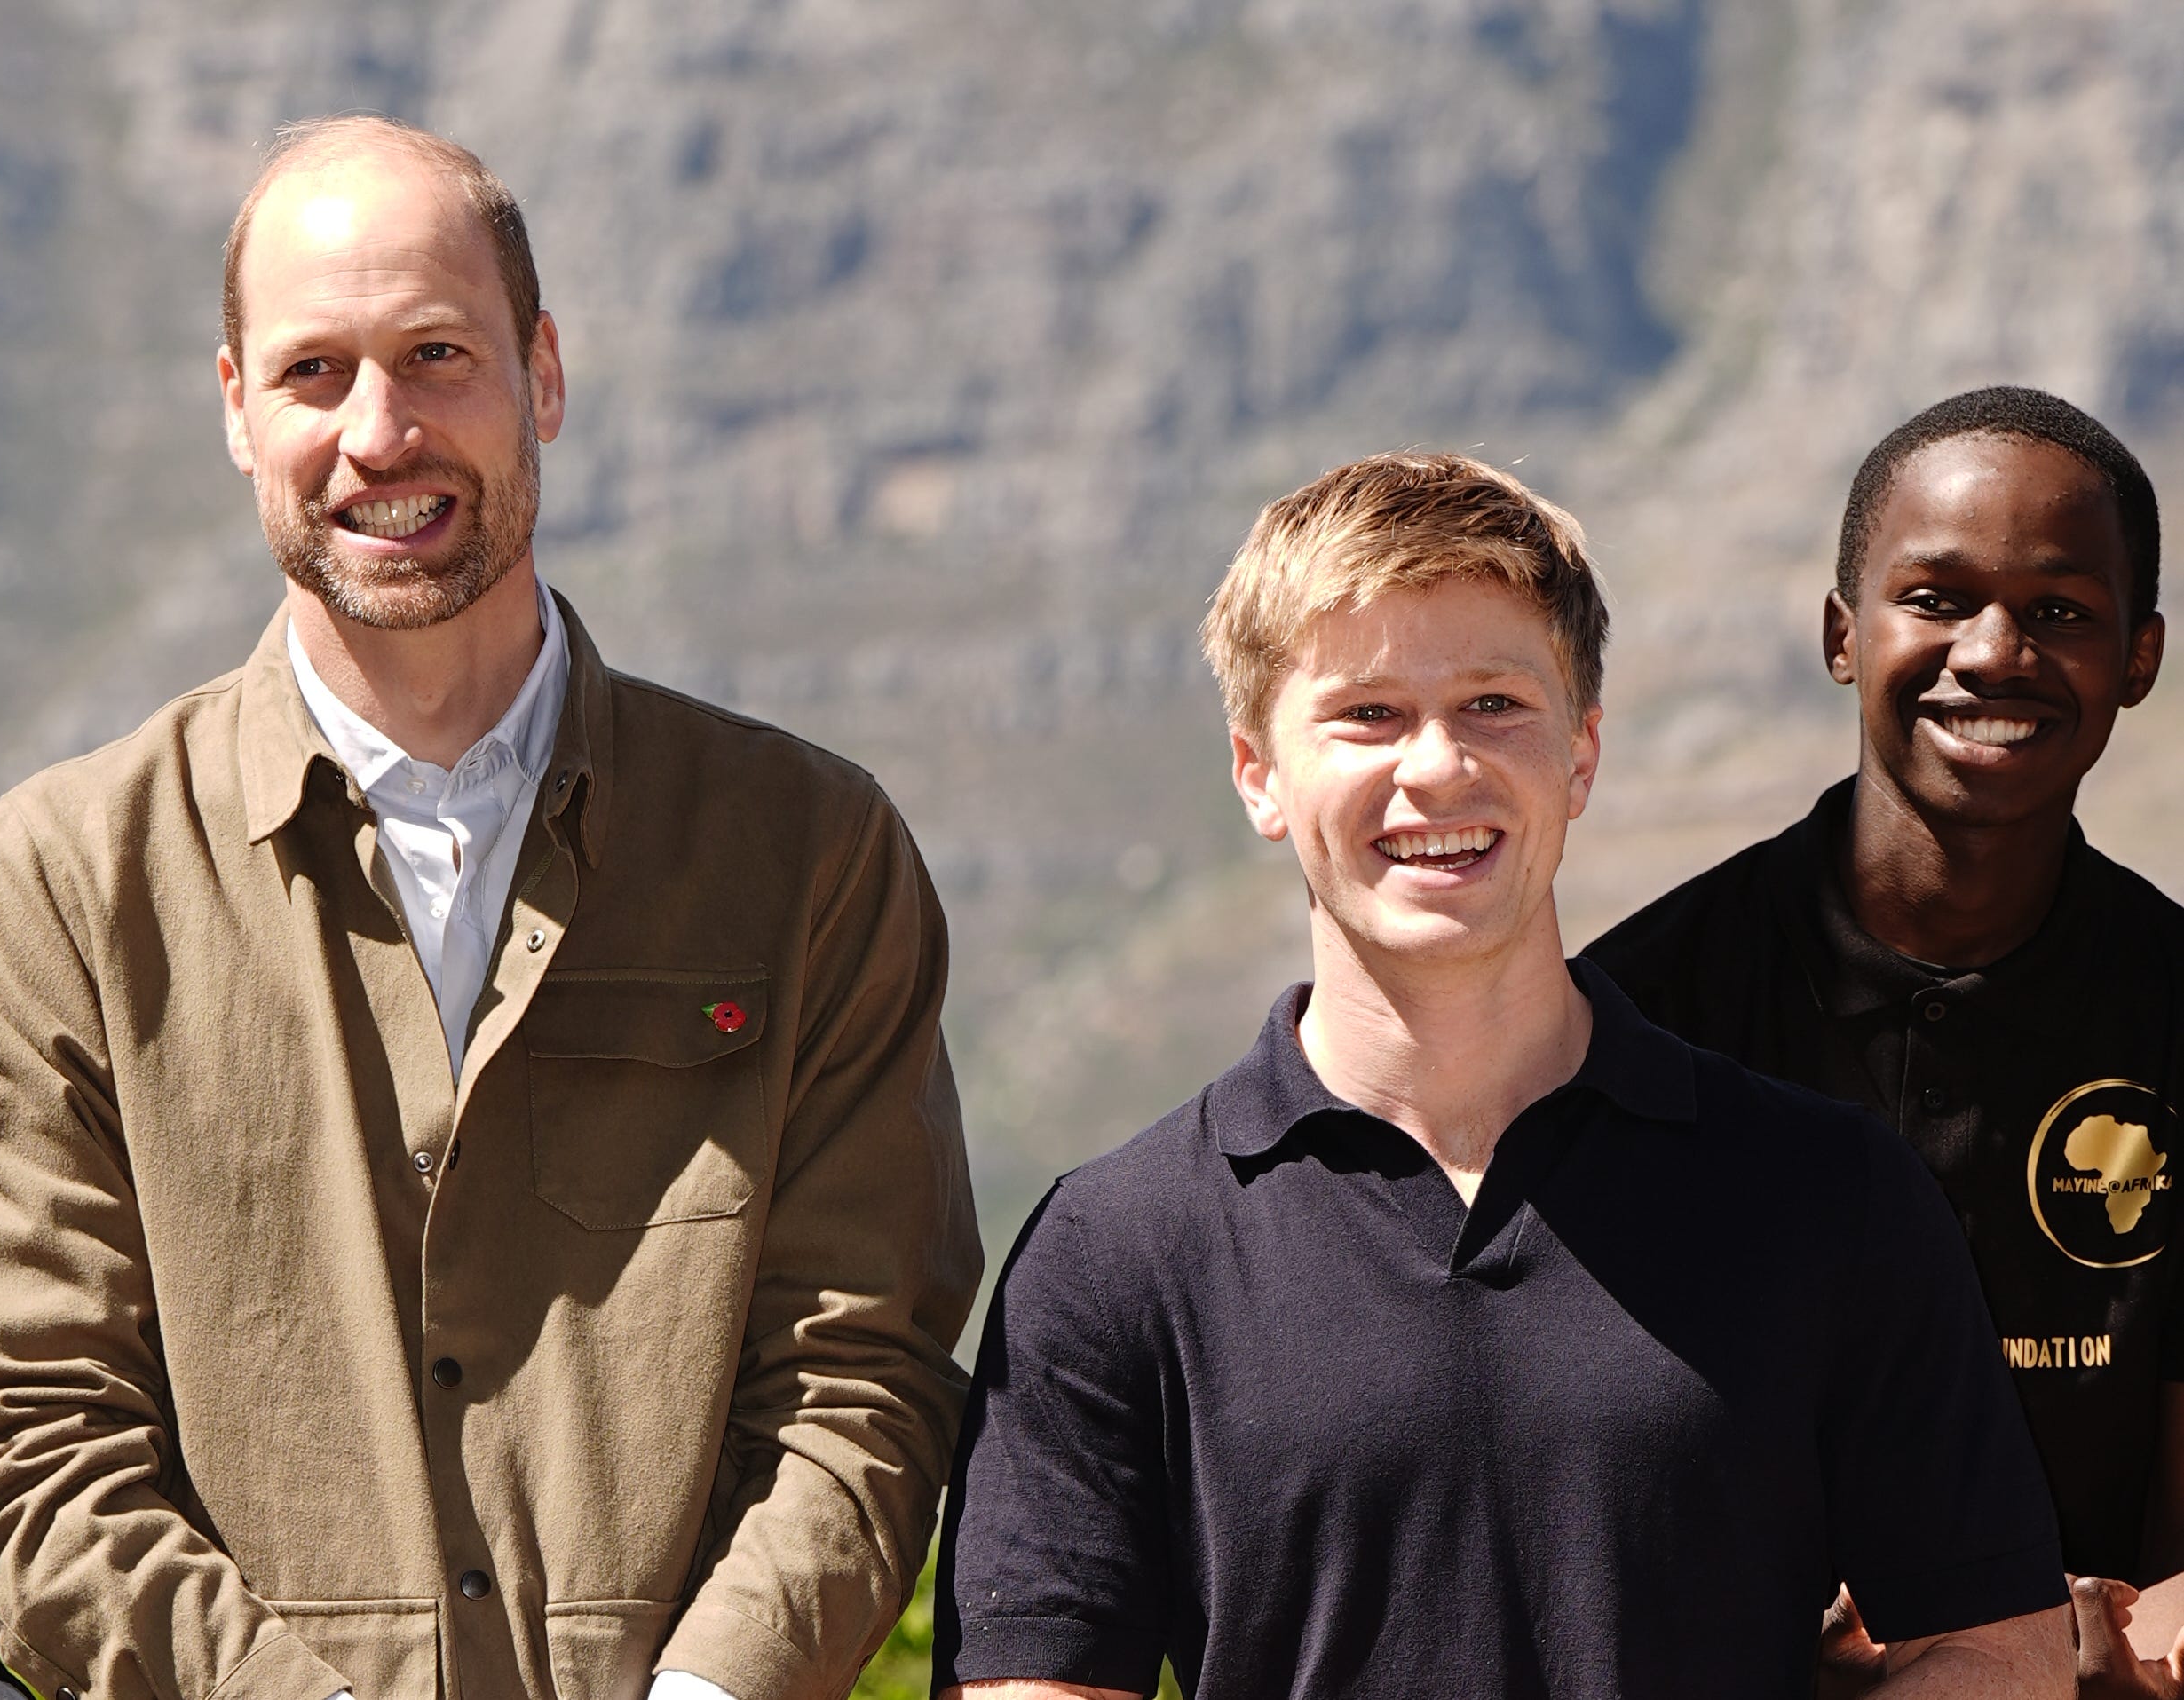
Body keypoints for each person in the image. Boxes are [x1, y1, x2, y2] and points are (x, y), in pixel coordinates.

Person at [0, 115, 980, 1700]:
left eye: (437, 354)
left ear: (541, 376)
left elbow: (860, 1377)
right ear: (236, 411)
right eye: (315, 371)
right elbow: (13, 1428)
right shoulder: (57, 884)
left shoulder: (807, 852)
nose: (378, 432)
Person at [930, 452, 2075, 1699]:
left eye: (1492, 705)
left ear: (1578, 757)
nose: (1436, 766)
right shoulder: (1115, 1247)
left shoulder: (1830, 1196)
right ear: (1259, 773)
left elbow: (1991, 1651)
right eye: (1364, 713)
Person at [1584, 386, 2184, 1692]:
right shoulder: (1629, 1020)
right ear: (1840, 634)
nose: (1991, 653)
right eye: (1935, 598)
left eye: (2059, 613)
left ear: (2137, 660)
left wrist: (2079, 1643)